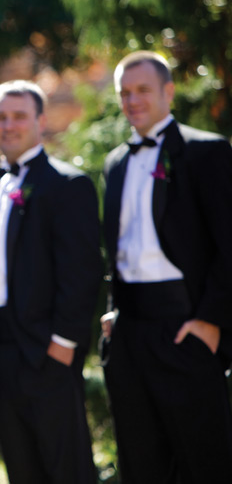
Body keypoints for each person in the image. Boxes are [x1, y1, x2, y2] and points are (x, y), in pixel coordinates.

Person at [101, 50, 232, 482]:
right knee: (141, 466)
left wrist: (211, 322)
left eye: (142, 90)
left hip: (186, 328)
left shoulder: (206, 152)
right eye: (124, 92)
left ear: (168, 92)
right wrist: (114, 312)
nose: (132, 100)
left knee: (204, 463)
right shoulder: (115, 163)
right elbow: (119, 248)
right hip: (129, 335)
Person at [0, 80, 100, 484]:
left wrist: (63, 344)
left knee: (67, 470)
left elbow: (82, 271)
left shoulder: (67, 185)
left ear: (41, 121)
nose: (8, 125)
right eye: (1, 117)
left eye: (19, 116)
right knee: (22, 471)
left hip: (47, 352)